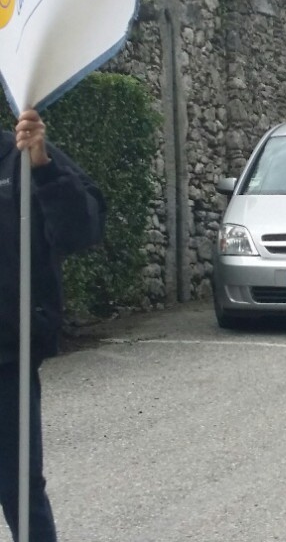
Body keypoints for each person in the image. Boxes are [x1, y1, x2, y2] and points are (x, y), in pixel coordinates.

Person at [1, 110, 106, 542]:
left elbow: (82, 230)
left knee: (20, 489)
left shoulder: (19, 156)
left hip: (7, 357)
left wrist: (44, 167)